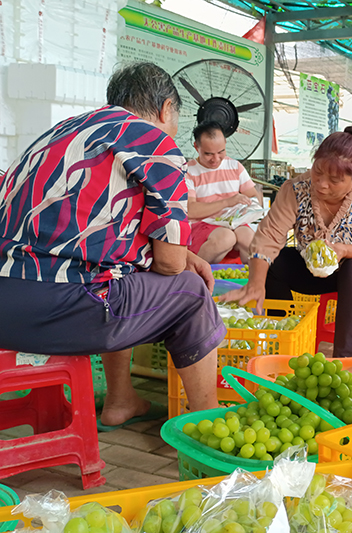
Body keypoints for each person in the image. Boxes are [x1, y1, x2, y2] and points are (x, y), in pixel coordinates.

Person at [0, 62, 223, 430]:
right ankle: (207, 426)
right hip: (64, 308)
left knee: (124, 271)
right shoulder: (154, 143)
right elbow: (169, 264)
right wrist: (182, 260)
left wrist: (182, 256)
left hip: (7, 303)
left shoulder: (59, 132)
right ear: (166, 109)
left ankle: (121, 400)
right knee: (192, 294)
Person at [222, 130, 352, 358]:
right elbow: (269, 236)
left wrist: (345, 250)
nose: (322, 184)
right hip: (315, 269)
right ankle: (283, 342)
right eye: (318, 172)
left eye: (334, 180)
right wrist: (256, 282)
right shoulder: (297, 188)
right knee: (276, 263)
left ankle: (344, 361)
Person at [186, 121, 261, 264]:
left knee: (251, 240)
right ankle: (194, 273)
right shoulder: (188, 171)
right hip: (202, 225)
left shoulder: (235, 166)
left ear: (225, 143)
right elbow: (190, 210)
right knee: (226, 238)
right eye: (208, 154)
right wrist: (227, 202)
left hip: (234, 222)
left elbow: (252, 196)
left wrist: (248, 208)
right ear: (196, 147)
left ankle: (252, 282)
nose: (215, 159)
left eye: (221, 152)